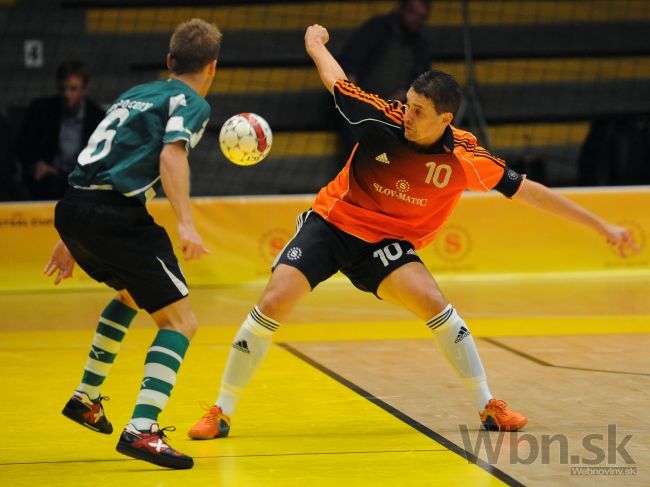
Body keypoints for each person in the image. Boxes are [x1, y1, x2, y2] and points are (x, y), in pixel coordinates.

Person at [186, 25, 637, 440]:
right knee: (273, 301)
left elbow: (531, 194)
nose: (408, 115)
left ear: (445, 119)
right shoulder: (382, 118)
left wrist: (603, 226)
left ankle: (487, 407)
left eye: (419, 112)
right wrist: (315, 46)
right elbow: (337, 82)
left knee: (434, 303)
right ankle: (221, 411)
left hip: (387, 244)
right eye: (408, 104)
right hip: (334, 221)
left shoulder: (465, 157)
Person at [44, 19, 222, 469]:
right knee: (181, 323)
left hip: (75, 203)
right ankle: (142, 430)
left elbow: (98, 157)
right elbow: (171, 155)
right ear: (213, 68)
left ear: (168, 61)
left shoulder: (136, 93)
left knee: (127, 293)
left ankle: (86, 398)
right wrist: (186, 224)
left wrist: (69, 235)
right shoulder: (192, 102)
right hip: (115, 217)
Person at [337, 0, 432, 156]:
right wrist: (356, 98)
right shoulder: (376, 28)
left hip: (397, 107)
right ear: (401, 9)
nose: (415, 19)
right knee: (358, 130)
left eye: (421, 17)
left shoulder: (420, 45)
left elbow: (421, 81)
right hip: (360, 102)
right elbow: (350, 65)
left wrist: (400, 97)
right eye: (412, 12)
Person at [17, 60, 105, 200]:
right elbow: (22, 145)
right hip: (47, 182)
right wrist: (36, 164)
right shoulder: (41, 110)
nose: (67, 94)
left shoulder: (98, 118)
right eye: (63, 88)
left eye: (73, 89)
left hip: (82, 184)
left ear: (84, 89)